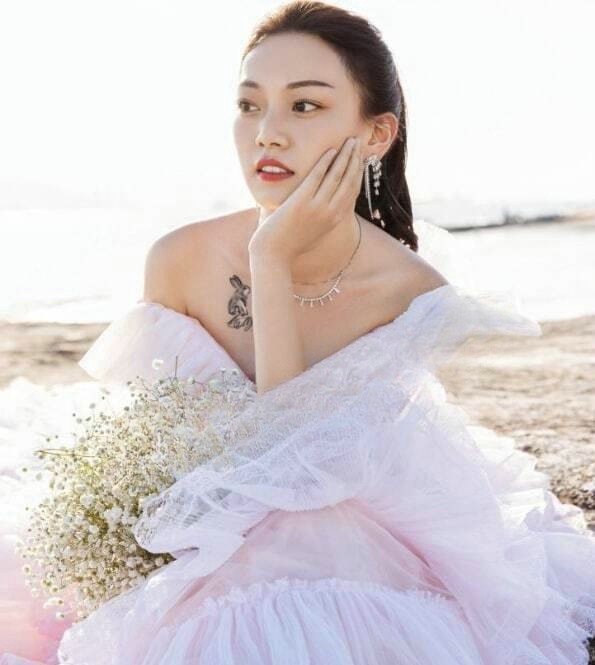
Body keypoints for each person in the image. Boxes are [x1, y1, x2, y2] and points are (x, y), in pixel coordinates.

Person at [2, 1, 595, 663]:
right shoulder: (179, 259)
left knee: (297, 564)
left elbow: (291, 466)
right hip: (197, 532)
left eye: (304, 106)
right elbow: (157, 446)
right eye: (249, 105)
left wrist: (272, 259)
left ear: (376, 134)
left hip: (339, 536)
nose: (268, 134)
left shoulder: (409, 291)